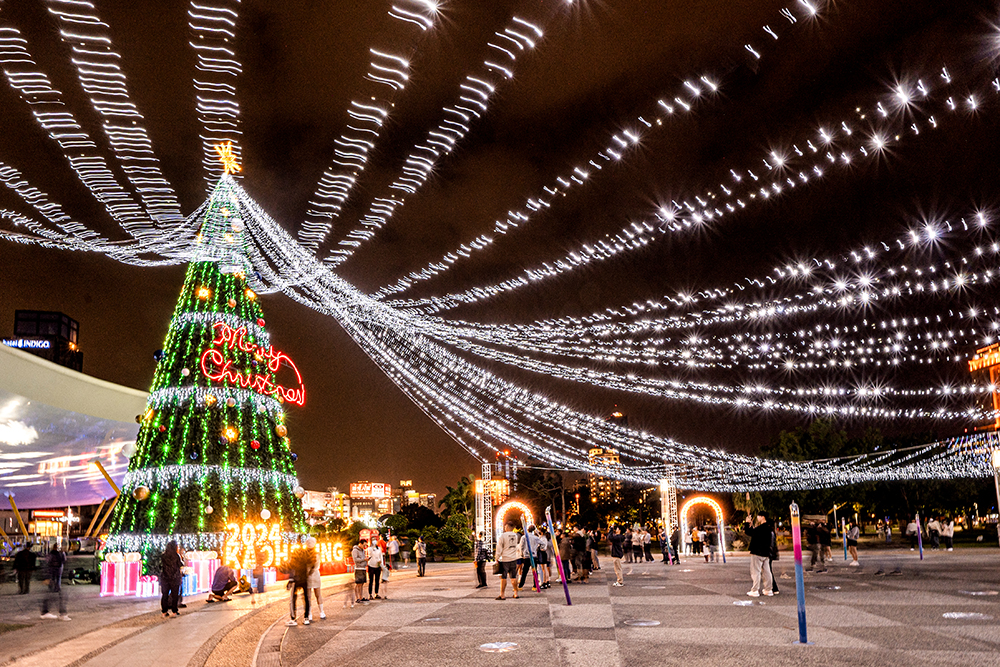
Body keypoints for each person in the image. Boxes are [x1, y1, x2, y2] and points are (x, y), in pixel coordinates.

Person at [40, 544, 69, 621]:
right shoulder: (52, 555)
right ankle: (61, 613)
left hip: (55, 577)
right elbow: (47, 566)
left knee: (53, 595)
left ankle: (45, 612)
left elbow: (62, 562)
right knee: (56, 595)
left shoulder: (58, 554)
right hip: (53, 577)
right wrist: (47, 577)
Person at [747, 513, 773, 597]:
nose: (757, 517)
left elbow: (750, 532)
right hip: (766, 552)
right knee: (767, 571)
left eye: (758, 516)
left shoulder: (761, 528)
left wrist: (747, 523)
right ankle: (768, 589)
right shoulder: (769, 528)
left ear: (762, 517)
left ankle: (755, 590)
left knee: (756, 572)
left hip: (757, 552)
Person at [285, 544, 313, 625]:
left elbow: (291, 568)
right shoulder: (305, 557)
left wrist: (290, 581)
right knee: (306, 599)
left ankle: (293, 619)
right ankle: (306, 618)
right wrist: (308, 574)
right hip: (304, 579)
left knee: (293, 599)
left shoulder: (293, 557)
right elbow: (312, 565)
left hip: (295, 580)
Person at [495, 521, 520, 600]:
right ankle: (515, 593)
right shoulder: (516, 536)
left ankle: (502, 594)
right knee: (513, 576)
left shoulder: (503, 536)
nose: (504, 527)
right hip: (513, 558)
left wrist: (497, 557)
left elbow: (499, 547)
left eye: (505, 526)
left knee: (504, 577)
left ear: (508, 527)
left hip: (505, 559)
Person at [160, 540, 183, 618]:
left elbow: (160, 566)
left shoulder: (163, 556)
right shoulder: (176, 556)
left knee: (165, 595)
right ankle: (174, 611)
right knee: (174, 595)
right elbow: (180, 564)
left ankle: (164, 611)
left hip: (165, 578)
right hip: (174, 578)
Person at [305, 536, 325, 620]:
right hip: (316, 574)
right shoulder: (318, 554)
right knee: (318, 594)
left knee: (308, 596)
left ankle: (310, 614)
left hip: (307, 575)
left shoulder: (305, 554)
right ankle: (322, 612)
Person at [352, 538, 368, 603]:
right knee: (358, 584)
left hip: (363, 568)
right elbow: (355, 559)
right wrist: (363, 559)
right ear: (360, 544)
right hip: (358, 568)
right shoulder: (355, 550)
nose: (364, 547)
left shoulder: (362, 550)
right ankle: (357, 598)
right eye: (364, 545)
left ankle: (361, 597)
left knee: (362, 584)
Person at [768, 524, 779, 595]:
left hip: (768, 553)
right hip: (771, 553)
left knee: (768, 571)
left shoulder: (769, 533)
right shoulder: (772, 533)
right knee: (768, 570)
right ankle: (773, 587)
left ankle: (774, 587)